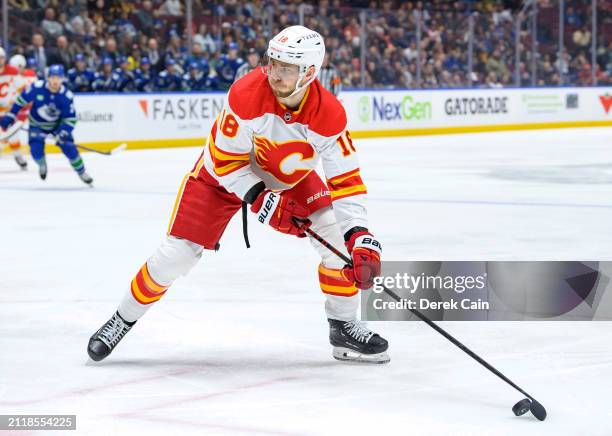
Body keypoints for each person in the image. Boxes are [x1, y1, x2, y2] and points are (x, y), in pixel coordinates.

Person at [87, 26, 388, 364]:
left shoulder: (329, 114)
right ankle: (121, 319)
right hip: (221, 175)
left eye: (287, 68)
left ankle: (344, 327)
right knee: (177, 255)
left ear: (310, 72)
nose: (275, 74)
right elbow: (223, 161)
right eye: (273, 63)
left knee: (337, 236)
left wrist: (361, 237)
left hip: (287, 179)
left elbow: (346, 181)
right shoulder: (246, 93)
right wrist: (260, 199)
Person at [0, 64, 93, 185]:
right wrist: (10, 115)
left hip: (56, 126)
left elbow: (70, 119)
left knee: (70, 148)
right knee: (35, 150)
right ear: (47, 78)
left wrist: (64, 132)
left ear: (62, 79)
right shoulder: (36, 87)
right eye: (52, 77)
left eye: (58, 77)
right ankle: (42, 164)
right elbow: (20, 101)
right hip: (37, 125)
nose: (55, 80)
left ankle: (82, 172)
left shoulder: (66, 96)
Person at [6, 54, 37, 169]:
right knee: (12, 133)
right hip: (17, 111)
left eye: (17, 67)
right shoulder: (11, 77)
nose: (15, 70)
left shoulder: (31, 75)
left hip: (32, 110)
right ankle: (18, 155)